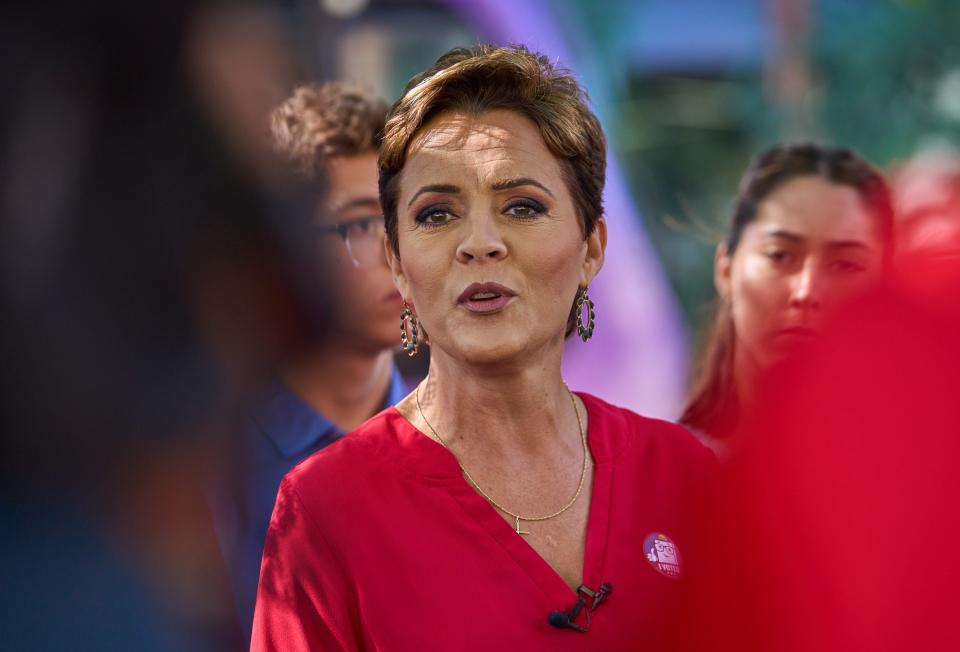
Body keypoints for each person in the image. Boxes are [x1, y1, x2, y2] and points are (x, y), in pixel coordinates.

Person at [250, 44, 713, 651]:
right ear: (396, 262)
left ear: (591, 248)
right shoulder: (325, 507)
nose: (480, 244)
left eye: (522, 206)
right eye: (437, 214)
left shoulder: (687, 475)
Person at [209, 81, 407, 642]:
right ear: (287, 242)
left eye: (412, 218)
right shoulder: (217, 458)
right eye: (362, 225)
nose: (396, 254)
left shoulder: (461, 447)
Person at [679, 143, 893, 446]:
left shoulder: (928, 475)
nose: (806, 291)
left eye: (845, 264)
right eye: (779, 255)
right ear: (725, 270)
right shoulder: (655, 471)